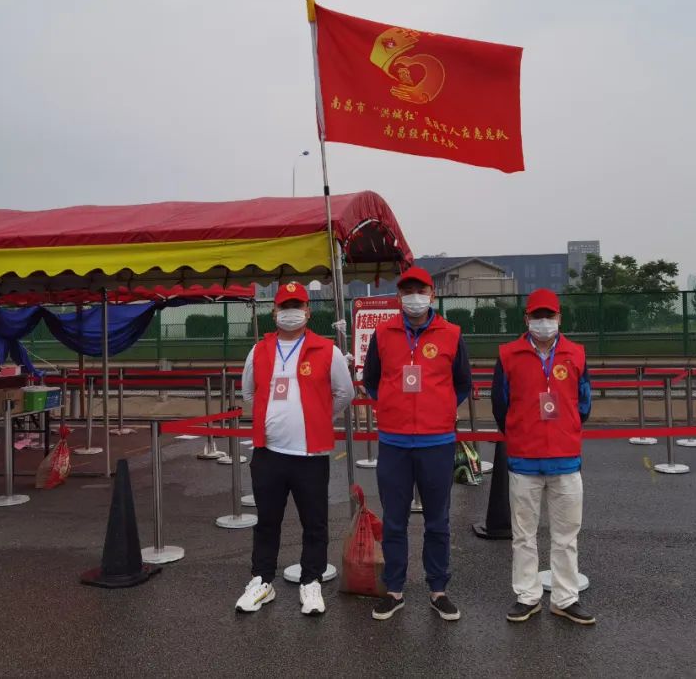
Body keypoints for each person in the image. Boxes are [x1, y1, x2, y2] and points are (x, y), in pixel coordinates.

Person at [235, 282, 355, 616]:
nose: (290, 312)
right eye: (284, 306)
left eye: (296, 306)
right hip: (269, 453)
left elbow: (345, 393)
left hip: (309, 456)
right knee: (267, 521)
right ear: (274, 312)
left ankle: (311, 581)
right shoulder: (259, 351)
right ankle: (262, 580)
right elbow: (248, 393)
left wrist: (317, 416)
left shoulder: (327, 350)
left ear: (308, 311)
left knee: (314, 523)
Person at [362, 266, 472, 621]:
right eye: (407, 291)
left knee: (437, 521)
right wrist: (392, 406)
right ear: (399, 296)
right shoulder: (383, 333)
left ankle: (438, 590)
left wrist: (438, 409)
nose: (414, 297)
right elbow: (372, 380)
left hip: (436, 442)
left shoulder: (451, 334)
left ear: (432, 295)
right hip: (394, 442)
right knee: (394, 520)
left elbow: (462, 384)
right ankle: (394, 590)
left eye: (420, 290)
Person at [492, 288, 595, 625]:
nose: (543, 321)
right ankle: (527, 596)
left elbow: (584, 403)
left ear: (559, 318)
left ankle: (565, 598)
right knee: (523, 535)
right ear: (526, 319)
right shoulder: (508, 355)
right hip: (524, 460)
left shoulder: (576, 354)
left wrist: (565, 429)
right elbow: (500, 404)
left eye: (549, 315)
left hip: (566, 459)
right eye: (537, 316)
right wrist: (520, 431)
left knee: (566, 536)